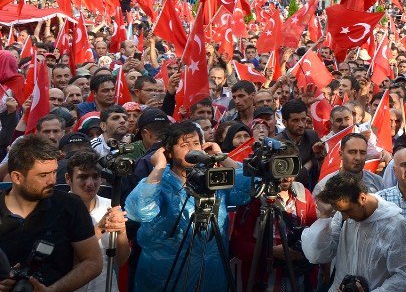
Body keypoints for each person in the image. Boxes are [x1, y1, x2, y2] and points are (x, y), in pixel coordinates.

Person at [124, 121, 253, 291]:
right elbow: (138, 210)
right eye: (184, 145)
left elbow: (249, 187)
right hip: (166, 278)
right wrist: (159, 166)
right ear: (168, 152)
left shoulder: (212, 180)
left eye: (196, 143)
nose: (192, 150)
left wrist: (223, 158)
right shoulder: (159, 183)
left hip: (211, 276)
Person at [0, 135, 102, 291]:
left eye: (54, 172)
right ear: (17, 177)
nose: (52, 181)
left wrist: (52, 290)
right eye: (43, 175)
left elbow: (92, 262)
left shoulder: (70, 206)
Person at [302, 173, 406, 292]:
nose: (345, 217)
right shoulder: (342, 216)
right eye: (340, 211)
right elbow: (318, 254)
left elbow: (404, 276)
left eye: (347, 211)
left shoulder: (394, 225)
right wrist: (324, 216)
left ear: (362, 198)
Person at [229, 175, 318, 292]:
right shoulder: (255, 196)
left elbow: (314, 237)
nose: (287, 177)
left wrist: (303, 250)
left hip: (297, 280)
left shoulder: (304, 195)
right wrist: (272, 252)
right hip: (262, 280)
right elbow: (239, 246)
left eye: (290, 167)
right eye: (281, 169)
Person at [64, 150, 129, 292]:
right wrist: (99, 228)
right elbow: (68, 261)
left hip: (105, 285)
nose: (90, 183)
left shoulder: (110, 205)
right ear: (68, 178)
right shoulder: (59, 209)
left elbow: (121, 260)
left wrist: (122, 233)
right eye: (83, 177)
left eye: (95, 176)